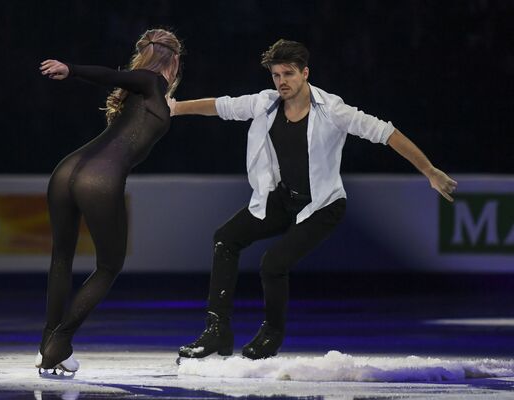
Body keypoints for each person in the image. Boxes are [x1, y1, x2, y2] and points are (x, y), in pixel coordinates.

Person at [169, 39, 457, 360]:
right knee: (225, 239)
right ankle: (217, 331)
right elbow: (222, 106)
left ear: (305, 73)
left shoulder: (333, 110)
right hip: (282, 198)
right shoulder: (266, 103)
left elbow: (386, 133)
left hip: (323, 206)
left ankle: (272, 334)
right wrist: (175, 108)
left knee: (272, 264)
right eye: (276, 75)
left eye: (288, 74)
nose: (282, 82)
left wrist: (430, 170)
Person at [35, 28, 182, 373]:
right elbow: (110, 75)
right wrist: (71, 69)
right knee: (109, 265)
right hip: (98, 179)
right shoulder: (148, 81)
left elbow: (133, 92)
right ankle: (59, 342)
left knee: (62, 257)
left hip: (66, 170)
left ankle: (47, 345)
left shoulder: (144, 94)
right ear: (173, 60)